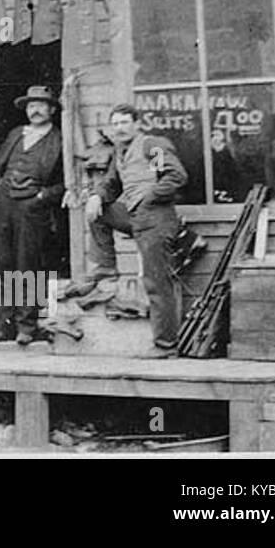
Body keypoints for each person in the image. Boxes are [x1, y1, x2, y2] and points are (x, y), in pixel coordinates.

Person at [82, 104, 189, 359]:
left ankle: (166, 345)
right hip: (135, 217)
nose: (119, 128)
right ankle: (107, 266)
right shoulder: (120, 152)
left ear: (137, 124)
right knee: (97, 210)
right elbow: (111, 184)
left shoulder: (151, 146)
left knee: (156, 282)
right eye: (115, 123)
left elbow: (175, 176)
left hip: (156, 219)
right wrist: (96, 196)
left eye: (124, 122)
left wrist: (150, 197)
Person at [0, 86, 64, 346]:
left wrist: (42, 197)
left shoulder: (59, 140)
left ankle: (26, 327)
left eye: (41, 105)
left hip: (32, 208)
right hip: (4, 205)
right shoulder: (16, 134)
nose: (36, 110)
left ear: (51, 109)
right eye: (31, 106)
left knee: (27, 264)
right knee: (2, 263)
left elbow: (67, 181)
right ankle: (1, 325)